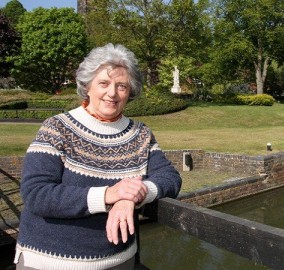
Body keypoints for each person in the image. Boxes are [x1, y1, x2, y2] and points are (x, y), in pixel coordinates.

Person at [14, 43, 182, 269]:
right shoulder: (56, 128)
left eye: (121, 86)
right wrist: (109, 195)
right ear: (87, 86)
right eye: (103, 83)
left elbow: (170, 178)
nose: (112, 93)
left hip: (120, 261)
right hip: (51, 262)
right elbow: (37, 194)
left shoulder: (140, 133)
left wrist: (131, 196)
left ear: (130, 92)